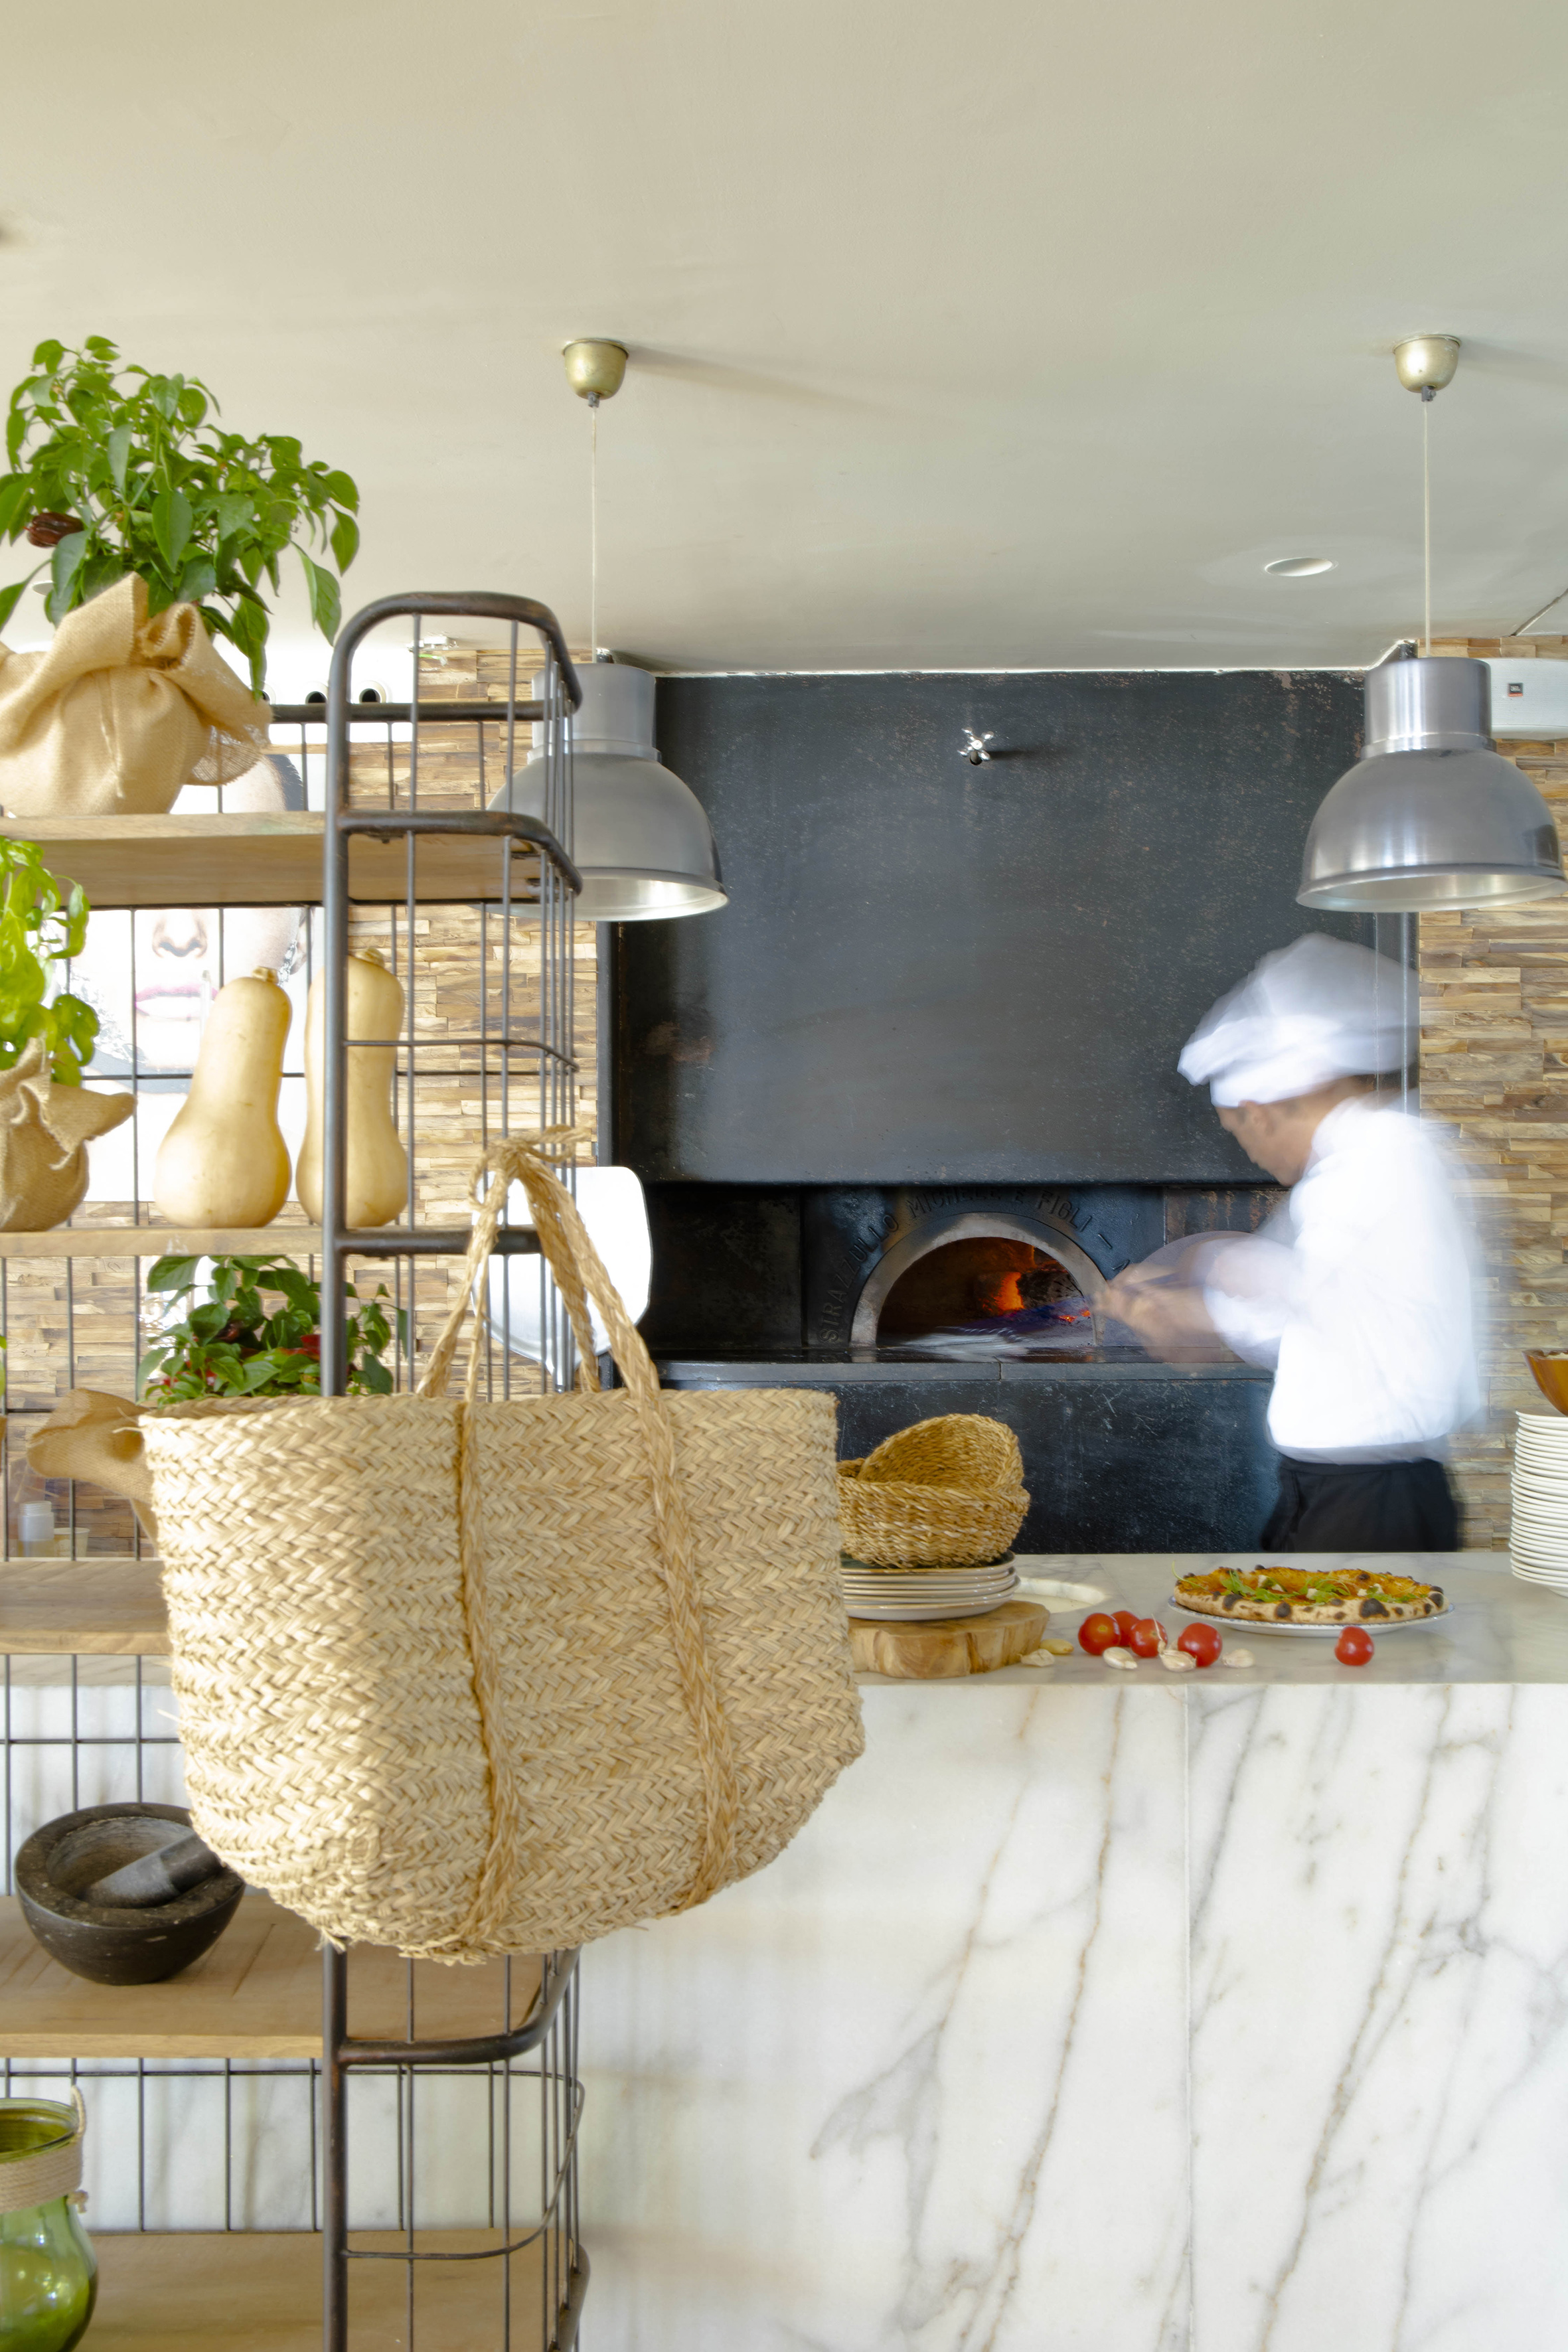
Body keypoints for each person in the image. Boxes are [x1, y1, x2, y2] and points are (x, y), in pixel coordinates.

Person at [1103, 935, 1480, 1553]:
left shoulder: (1385, 1154)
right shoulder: (1346, 1165)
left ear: (1260, 1111)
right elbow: (1311, 1320)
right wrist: (1182, 1317)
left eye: (1238, 1131)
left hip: (1375, 1500)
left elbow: (1306, 1291)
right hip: (1331, 1489)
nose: (1249, 1151)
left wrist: (1211, 1261)